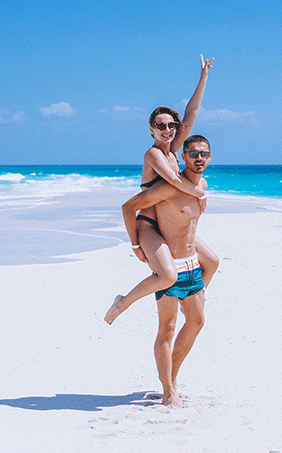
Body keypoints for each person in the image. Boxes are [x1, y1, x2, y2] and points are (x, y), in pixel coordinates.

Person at [104, 55, 218, 324]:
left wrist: (203, 78)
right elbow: (176, 183)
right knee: (167, 276)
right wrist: (201, 194)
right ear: (152, 130)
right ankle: (122, 302)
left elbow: (190, 115)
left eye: (170, 126)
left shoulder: (173, 151)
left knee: (211, 262)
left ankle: (191, 298)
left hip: (168, 224)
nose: (167, 130)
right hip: (149, 226)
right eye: (160, 126)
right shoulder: (154, 154)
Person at [117, 135, 215, 407]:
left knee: (196, 322)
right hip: (171, 266)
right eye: (193, 153)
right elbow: (130, 207)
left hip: (192, 266)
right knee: (167, 329)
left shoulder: (202, 187)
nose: (198, 158)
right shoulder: (168, 187)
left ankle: (171, 378)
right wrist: (138, 244)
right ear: (182, 156)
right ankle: (168, 391)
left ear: (210, 158)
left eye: (204, 154)